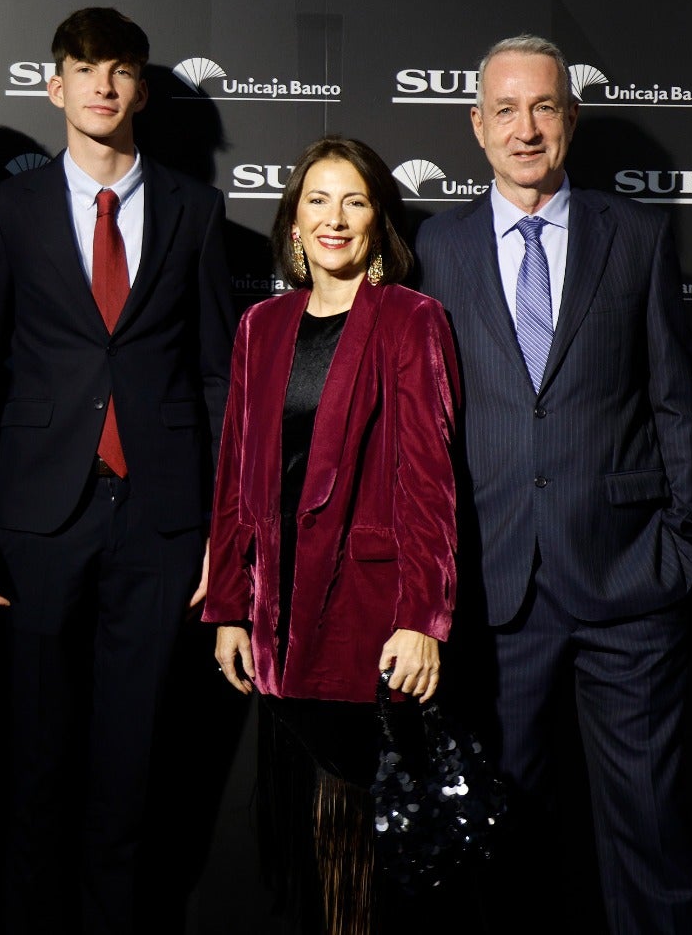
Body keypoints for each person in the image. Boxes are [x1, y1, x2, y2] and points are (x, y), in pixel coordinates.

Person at [412, 34, 692, 932]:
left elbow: (675, 405)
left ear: (570, 118)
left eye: (543, 107)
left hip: (628, 586)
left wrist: (680, 550)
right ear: (476, 126)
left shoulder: (639, 235)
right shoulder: (439, 244)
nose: (526, 128)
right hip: (497, 591)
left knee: (651, 836)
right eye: (505, 109)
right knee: (503, 842)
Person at [0, 6, 237, 935]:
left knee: (133, 762)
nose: (102, 86)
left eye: (120, 69)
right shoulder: (11, 209)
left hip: (162, 519)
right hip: (41, 516)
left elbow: (214, 375)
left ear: (140, 86)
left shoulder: (196, 210)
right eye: (84, 69)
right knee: (37, 762)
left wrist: (217, 525)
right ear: (55, 87)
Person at [204, 135, 460, 935]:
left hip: (368, 616)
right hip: (277, 616)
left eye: (354, 201)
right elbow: (237, 473)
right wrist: (230, 609)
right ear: (293, 222)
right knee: (296, 852)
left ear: (379, 222)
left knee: (361, 857)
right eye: (318, 199)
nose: (334, 218)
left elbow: (430, 479)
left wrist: (424, 617)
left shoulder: (410, 319)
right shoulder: (262, 325)